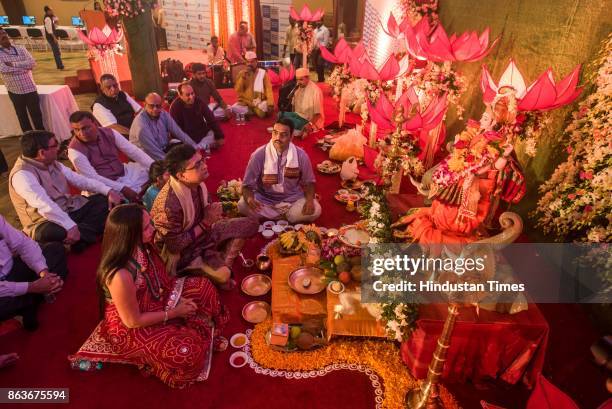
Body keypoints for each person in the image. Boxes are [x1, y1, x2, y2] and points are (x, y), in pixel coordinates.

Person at [69, 204, 230, 387]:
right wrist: (174, 312)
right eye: (146, 227)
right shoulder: (119, 274)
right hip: (130, 327)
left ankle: (200, 335)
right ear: (128, 235)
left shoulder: (142, 245)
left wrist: (175, 296)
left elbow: (161, 280)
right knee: (187, 351)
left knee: (204, 287)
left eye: (150, 223)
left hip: (156, 297)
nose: (152, 229)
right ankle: (156, 364)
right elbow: (133, 321)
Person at [392, 87, 526, 250]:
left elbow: (493, 165)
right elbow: (464, 150)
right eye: (489, 112)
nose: (486, 118)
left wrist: (491, 162)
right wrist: (460, 150)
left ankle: (449, 229)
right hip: (461, 172)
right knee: (440, 201)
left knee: (452, 212)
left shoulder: (498, 138)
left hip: (475, 180)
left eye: (491, 115)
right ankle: (439, 217)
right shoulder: (479, 132)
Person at [151, 144, 258, 287]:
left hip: (206, 232)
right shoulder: (168, 206)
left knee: (252, 224)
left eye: (202, 160)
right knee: (224, 276)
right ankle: (212, 266)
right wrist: (206, 222)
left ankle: (217, 261)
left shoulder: (197, 183)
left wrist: (215, 216)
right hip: (185, 252)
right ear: (181, 175)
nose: (204, 166)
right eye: (197, 165)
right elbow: (175, 246)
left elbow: (207, 211)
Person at [8, 130, 122, 251]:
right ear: (42, 152)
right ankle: (86, 234)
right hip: (44, 220)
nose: (58, 148)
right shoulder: (22, 175)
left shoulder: (52, 162)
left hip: (69, 208)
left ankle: (80, 239)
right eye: (54, 145)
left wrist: (108, 191)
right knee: (51, 233)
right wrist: (70, 226)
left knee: (105, 201)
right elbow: (45, 205)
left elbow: (80, 181)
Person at [238, 118, 321, 222]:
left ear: (291, 137)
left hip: (292, 200)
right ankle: (287, 217)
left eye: (283, 134)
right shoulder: (259, 155)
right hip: (265, 200)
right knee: (242, 205)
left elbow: (309, 182)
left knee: (316, 209)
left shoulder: (301, 155)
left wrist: (309, 201)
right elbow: (246, 185)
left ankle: (276, 216)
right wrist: (250, 199)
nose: (278, 138)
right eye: (275, 133)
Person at [68, 111, 154, 202]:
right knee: (116, 198)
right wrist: (122, 188)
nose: (81, 133)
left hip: (124, 173)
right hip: (103, 184)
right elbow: (93, 178)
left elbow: (133, 151)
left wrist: (155, 166)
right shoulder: (74, 151)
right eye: (76, 130)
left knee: (152, 173)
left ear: (95, 123)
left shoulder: (109, 133)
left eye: (85, 128)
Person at [0, 215, 67, 331]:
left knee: (55, 250)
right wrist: (32, 287)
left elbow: (23, 243)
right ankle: (34, 299)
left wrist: (43, 273)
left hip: (13, 270)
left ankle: (28, 303)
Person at [129, 93, 203, 161]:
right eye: (151, 106)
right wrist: (170, 164)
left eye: (158, 106)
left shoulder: (163, 114)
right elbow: (152, 151)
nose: (155, 109)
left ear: (161, 105)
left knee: (186, 149)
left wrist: (194, 147)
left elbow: (178, 132)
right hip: (145, 155)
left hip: (163, 149)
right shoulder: (141, 124)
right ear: (144, 105)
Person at [0, 29, 44, 133]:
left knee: (37, 115)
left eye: (4, 33)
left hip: (30, 88)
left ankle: (42, 137)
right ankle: (29, 140)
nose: (3, 36)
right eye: (0, 35)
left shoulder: (20, 48)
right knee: (22, 117)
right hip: (15, 91)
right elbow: (4, 69)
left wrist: (14, 64)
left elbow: (32, 63)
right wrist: (24, 68)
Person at [169, 83, 224, 149]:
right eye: (188, 95)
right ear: (180, 95)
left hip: (201, 134)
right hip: (185, 137)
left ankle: (197, 148)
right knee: (175, 142)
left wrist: (220, 136)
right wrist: (188, 140)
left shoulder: (199, 101)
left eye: (192, 93)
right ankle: (202, 147)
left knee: (212, 133)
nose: (191, 97)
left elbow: (210, 118)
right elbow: (175, 130)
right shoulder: (175, 107)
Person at [278, 68, 324, 136]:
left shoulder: (316, 91)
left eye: (301, 79)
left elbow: (318, 114)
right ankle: (295, 129)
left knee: (290, 122)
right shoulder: (298, 88)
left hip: (309, 120)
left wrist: (310, 124)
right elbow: (293, 107)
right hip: (298, 115)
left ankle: (298, 128)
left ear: (308, 78)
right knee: (280, 114)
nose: (298, 82)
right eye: (297, 79)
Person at [232, 51, 274, 118]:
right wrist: (243, 77)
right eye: (248, 62)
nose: (250, 64)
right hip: (247, 103)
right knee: (234, 108)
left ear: (256, 62)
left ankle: (253, 111)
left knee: (264, 108)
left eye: (252, 62)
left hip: (260, 101)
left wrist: (270, 103)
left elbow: (268, 89)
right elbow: (238, 90)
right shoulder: (242, 74)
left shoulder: (263, 73)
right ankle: (254, 110)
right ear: (246, 63)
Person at [43, 6, 64, 70]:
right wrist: (54, 38)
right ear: (47, 11)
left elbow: (55, 25)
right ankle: (60, 66)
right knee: (56, 52)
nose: (52, 11)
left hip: (52, 37)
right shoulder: (47, 19)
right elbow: (49, 30)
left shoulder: (50, 17)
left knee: (57, 51)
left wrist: (55, 19)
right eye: (51, 10)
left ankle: (59, 65)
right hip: (51, 37)